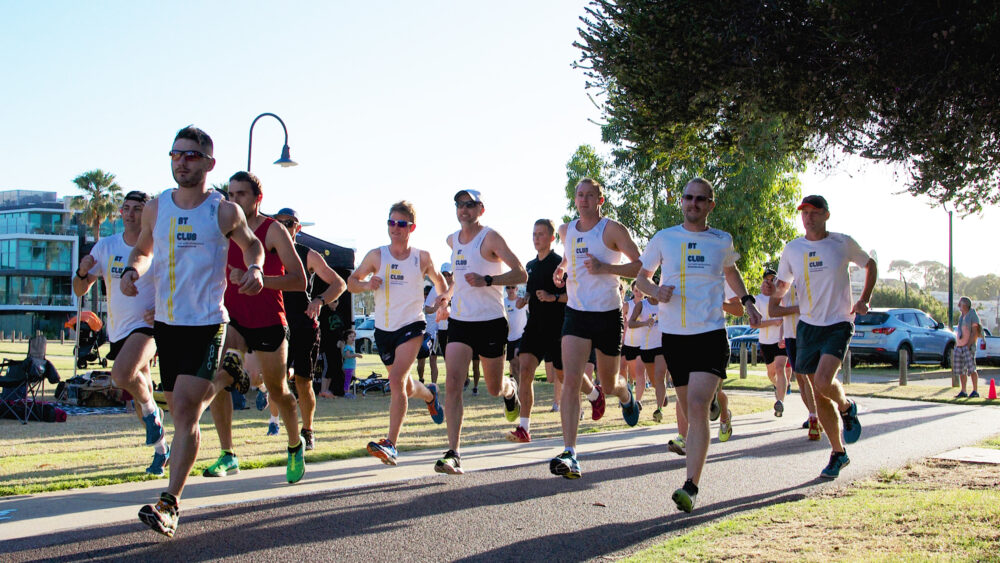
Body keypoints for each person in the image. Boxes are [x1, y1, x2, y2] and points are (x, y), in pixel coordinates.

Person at [128, 126, 264, 537]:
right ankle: (227, 376)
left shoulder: (222, 211)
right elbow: (144, 248)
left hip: (206, 322)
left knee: (185, 411)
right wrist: (133, 270)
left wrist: (255, 268)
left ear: (209, 164)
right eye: (176, 154)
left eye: (190, 155)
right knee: (182, 408)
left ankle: (170, 504)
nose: (181, 162)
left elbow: (252, 244)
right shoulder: (156, 207)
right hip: (167, 325)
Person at [636, 177, 761, 513]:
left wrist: (747, 301)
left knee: (696, 404)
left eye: (700, 199)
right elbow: (641, 277)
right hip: (675, 336)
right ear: (682, 201)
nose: (693, 204)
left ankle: (690, 485)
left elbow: (731, 271)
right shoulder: (664, 238)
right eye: (688, 198)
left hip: (710, 334)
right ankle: (714, 411)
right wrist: (654, 291)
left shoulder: (721, 240)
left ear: (710, 205)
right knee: (692, 410)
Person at [202, 171, 307, 478]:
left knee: (277, 391)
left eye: (241, 195)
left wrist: (260, 280)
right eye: (230, 195)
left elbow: (299, 281)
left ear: (257, 199)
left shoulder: (273, 230)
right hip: (232, 318)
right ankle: (227, 453)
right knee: (222, 375)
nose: (234, 200)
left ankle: (294, 444)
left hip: (268, 321)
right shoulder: (222, 230)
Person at [770, 194, 876, 480]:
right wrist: (774, 294)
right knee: (818, 394)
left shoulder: (842, 243)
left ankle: (847, 407)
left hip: (839, 322)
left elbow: (870, 265)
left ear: (826, 215)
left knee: (822, 381)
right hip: (808, 326)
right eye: (804, 212)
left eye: (814, 212)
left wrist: (864, 298)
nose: (808, 217)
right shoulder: (792, 249)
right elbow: (783, 284)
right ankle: (838, 453)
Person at [549, 178, 643, 479]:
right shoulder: (566, 230)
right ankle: (570, 452)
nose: (584, 200)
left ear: (600, 200)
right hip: (576, 313)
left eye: (590, 195)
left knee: (608, 380)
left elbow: (641, 266)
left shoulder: (612, 230)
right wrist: (562, 268)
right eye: (580, 195)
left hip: (607, 314)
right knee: (572, 378)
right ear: (574, 199)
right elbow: (570, 252)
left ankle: (625, 395)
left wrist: (606, 269)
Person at [433, 189, 527, 475]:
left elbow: (521, 273)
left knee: (493, 388)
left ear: (480, 209)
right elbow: (459, 281)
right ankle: (453, 453)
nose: (464, 209)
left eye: (470, 204)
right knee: (452, 384)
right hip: (460, 321)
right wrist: (447, 297)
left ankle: (510, 390)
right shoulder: (451, 240)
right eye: (460, 204)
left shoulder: (491, 238)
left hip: (490, 321)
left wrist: (488, 279)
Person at [74, 190, 167, 474]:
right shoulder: (106, 245)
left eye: (137, 209)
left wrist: (161, 307)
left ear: (148, 213)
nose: (130, 214)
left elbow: (175, 283)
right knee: (142, 394)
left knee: (122, 375)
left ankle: (154, 415)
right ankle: (161, 450)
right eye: (125, 208)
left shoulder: (159, 246)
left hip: (149, 326)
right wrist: (82, 272)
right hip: (118, 330)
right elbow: (80, 291)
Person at [349, 201, 448, 466]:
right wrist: (367, 284)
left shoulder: (422, 257)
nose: (395, 228)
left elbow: (441, 283)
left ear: (411, 227)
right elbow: (351, 283)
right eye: (391, 222)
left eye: (401, 224)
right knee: (402, 384)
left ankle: (391, 444)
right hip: (383, 331)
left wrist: (443, 303)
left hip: (412, 327)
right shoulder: (376, 256)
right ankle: (429, 394)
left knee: (395, 382)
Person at [508, 219, 604, 443]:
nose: (536, 238)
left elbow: (574, 294)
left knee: (565, 376)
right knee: (525, 371)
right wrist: (525, 299)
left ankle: (594, 394)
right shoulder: (530, 266)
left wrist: (554, 298)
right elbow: (532, 292)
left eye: (541, 234)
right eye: (534, 234)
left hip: (559, 329)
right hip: (534, 328)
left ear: (552, 238)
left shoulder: (560, 264)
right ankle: (524, 428)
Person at [272, 207, 346, 439]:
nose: (284, 226)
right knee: (274, 378)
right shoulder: (266, 253)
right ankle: (277, 423)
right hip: (275, 322)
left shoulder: (308, 255)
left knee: (304, 381)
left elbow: (339, 284)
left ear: (298, 227)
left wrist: (320, 300)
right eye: (280, 222)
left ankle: (308, 430)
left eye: (290, 223)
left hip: (303, 324)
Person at [781, 281, 820, 439]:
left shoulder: (806, 278)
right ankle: (813, 414)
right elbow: (775, 308)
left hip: (806, 333)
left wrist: (789, 310)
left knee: (808, 377)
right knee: (800, 379)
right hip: (790, 334)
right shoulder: (783, 282)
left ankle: (815, 417)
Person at [627, 283, 668, 421]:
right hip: (646, 348)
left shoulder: (664, 304)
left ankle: (659, 410)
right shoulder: (642, 305)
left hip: (662, 346)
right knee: (655, 381)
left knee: (660, 375)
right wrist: (644, 323)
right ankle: (661, 394)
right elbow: (631, 323)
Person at [753, 268, 788, 417]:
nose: (769, 283)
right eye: (766, 280)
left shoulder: (783, 298)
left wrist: (784, 335)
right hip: (765, 342)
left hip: (780, 340)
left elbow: (787, 318)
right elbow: (754, 324)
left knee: (781, 369)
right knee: (771, 373)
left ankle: (780, 402)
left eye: (772, 279)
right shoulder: (757, 299)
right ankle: (778, 387)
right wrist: (773, 322)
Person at [423, 263, 453, 384]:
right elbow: (427, 309)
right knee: (435, 357)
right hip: (438, 329)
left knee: (454, 357)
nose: (446, 277)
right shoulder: (436, 289)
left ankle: (458, 380)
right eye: (443, 274)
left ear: (452, 275)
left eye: (448, 274)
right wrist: (436, 308)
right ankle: (434, 384)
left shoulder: (458, 287)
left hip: (454, 327)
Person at [318, 297, 348, 398]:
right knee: (328, 367)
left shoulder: (339, 314)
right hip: (327, 345)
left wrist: (342, 341)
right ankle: (323, 390)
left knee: (336, 367)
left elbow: (341, 329)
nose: (334, 303)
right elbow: (324, 331)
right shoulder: (324, 314)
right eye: (332, 301)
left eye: (336, 301)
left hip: (338, 345)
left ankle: (329, 390)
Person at [953, 296, 982, 398]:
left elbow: (975, 332)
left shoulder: (972, 315)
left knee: (971, 368)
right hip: (960, 346)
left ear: (965, 304)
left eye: (960, 303)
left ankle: (975, 391)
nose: (958, 305)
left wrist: (968, 345)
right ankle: (963, 390)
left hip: (968, 347)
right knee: (961, 370)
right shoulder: (961, 317)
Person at [504, 285, 527, 380]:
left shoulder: (522, 301)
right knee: (513, 367)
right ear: (506, 289)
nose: (511, 290)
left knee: (517, 356)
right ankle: (519, 389)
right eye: (508, 287)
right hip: (509, 338)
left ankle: (524, 386)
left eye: (513, 287)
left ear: (517, 289)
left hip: (522, 336)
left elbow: (533, 312)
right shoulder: (503, 302)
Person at [342, 329, 361, 397]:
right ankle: (346, 393)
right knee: (348, 380)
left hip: (351, 367)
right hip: (348, 367)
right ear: (346, 338)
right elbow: (348, 355)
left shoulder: (351, 347)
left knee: (349, 379)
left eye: (353, 336)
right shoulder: (347, 347)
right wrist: (356, 355)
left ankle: (347, 391)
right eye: (350, 336)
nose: (353, 338)